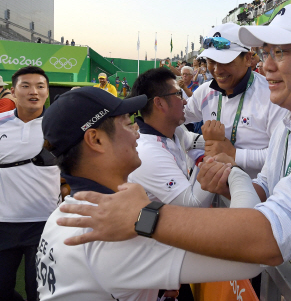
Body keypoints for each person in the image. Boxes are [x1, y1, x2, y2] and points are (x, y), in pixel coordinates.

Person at [56, 3, 291, 300]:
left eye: (280, 52)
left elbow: (271, 238)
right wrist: (226, 178)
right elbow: (266, 190)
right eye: (266, 52)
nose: (266, 65)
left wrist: (144, 216)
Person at [37, 86, 263, 300]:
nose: (137, 134)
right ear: (96, 140)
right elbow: (252, 252)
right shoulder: (114, 234)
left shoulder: (59, 217)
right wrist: (235, 173)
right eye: (127, 125)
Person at [0, 66, 59, 301]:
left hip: (46, 223)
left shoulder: (59, 126)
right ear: (13, 91)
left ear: (47, 92)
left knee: (40, 294)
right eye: (26, 85)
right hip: (0, 222)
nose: (34, 91)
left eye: (41, 86)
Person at [185, 22, 288, 180]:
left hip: (257, 198)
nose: (217, 70)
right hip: (213, 195)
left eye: (225, 61)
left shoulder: (272, 95)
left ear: (247, 59)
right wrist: (196, 148)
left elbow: (283, 155)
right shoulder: (204, 92)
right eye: (211, 61)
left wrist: (234, 154)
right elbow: (174, 121)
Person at [127, 67, 212, 208]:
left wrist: (214, 139)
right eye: (179, 94)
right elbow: (191, 205)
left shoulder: (174, 132)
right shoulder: (148, 153)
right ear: (159, 103)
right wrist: (214, 158)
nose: (185, 101)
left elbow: (192, 141)